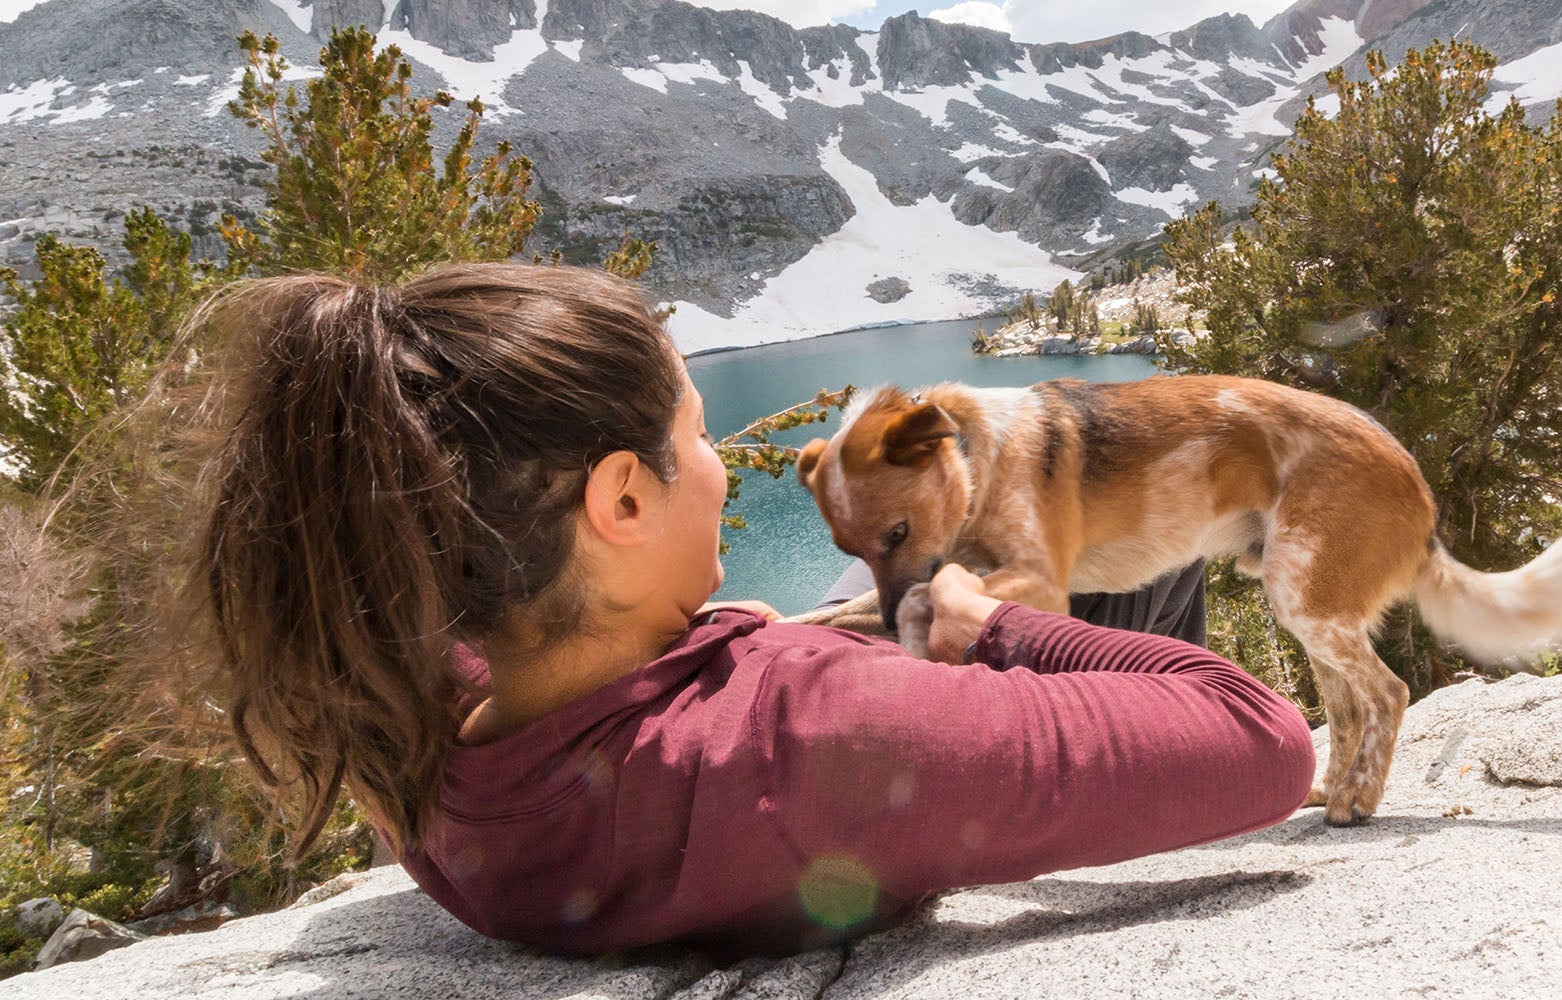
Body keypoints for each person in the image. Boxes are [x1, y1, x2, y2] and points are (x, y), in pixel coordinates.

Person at [183, 263, 1316, 960]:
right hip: (861, 736)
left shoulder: (422, 729)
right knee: (1118, 565)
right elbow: (1257, 738)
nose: (721, 466)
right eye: (691, 439)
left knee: (910, 556)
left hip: (726, 692)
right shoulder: (818, 738)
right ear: (621, 498)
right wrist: (996, 630)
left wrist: (738, 639)